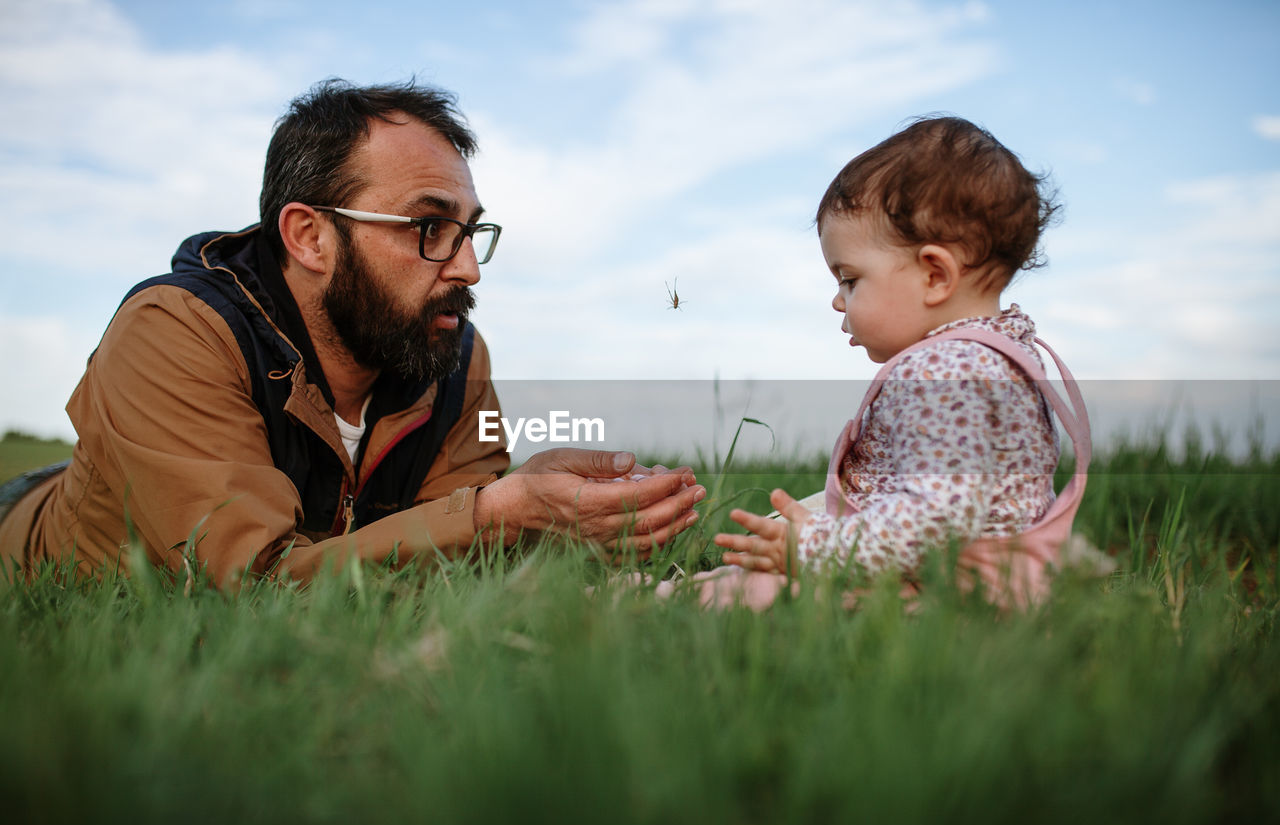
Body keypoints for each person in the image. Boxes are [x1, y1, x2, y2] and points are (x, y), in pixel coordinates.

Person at [0, 79, 704, 589]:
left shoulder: (449, 348)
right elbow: (251, 584)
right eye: (428, 228)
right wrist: (495, 515)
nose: (466, 269)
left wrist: (540, 514)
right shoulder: (173, 333)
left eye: (470, 232)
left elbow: (450, 553)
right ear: (310, 236)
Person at [704, 116, 1090, 610]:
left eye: (849, 280)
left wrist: (818, 549)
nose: (838, 302)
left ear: (934, 276)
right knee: (789, 541)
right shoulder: (1000, 355)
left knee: (756, 592)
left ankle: (644, 601)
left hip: (941, 596)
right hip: (969, 583)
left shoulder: (946, 373)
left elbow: (936, 523)